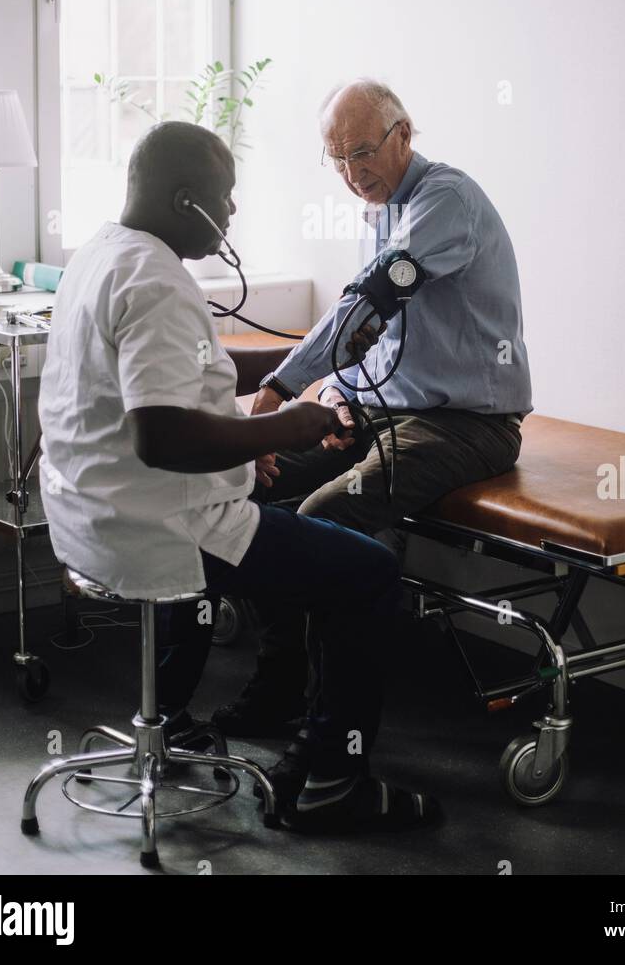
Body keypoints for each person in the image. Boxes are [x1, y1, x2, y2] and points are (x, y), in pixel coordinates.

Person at [37, 120, 438, 833]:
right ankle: (329, 779)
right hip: (167, 528)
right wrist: (285, 426)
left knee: (277, 515)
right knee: (368, 573)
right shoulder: (157, 282)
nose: (231, 215)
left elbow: (161, 397)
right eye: (224, 199)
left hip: (92, 520)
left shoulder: (101, 255)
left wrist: (246, 437)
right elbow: (161, 435)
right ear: (184, 198)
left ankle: (187, 716)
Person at [213, 79, 533, 800]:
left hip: (468, 425)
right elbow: (376, 333)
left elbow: (375, 299)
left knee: (322, 520)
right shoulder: (382, 208)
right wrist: (343, 394)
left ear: (404, 134)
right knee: (247, 485)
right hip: (384, 412)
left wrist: (282, 391)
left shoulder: (444, 203)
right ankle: (280, 686)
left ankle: (330, 750)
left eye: (362, 151)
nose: (353, 172)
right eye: (337, 159)